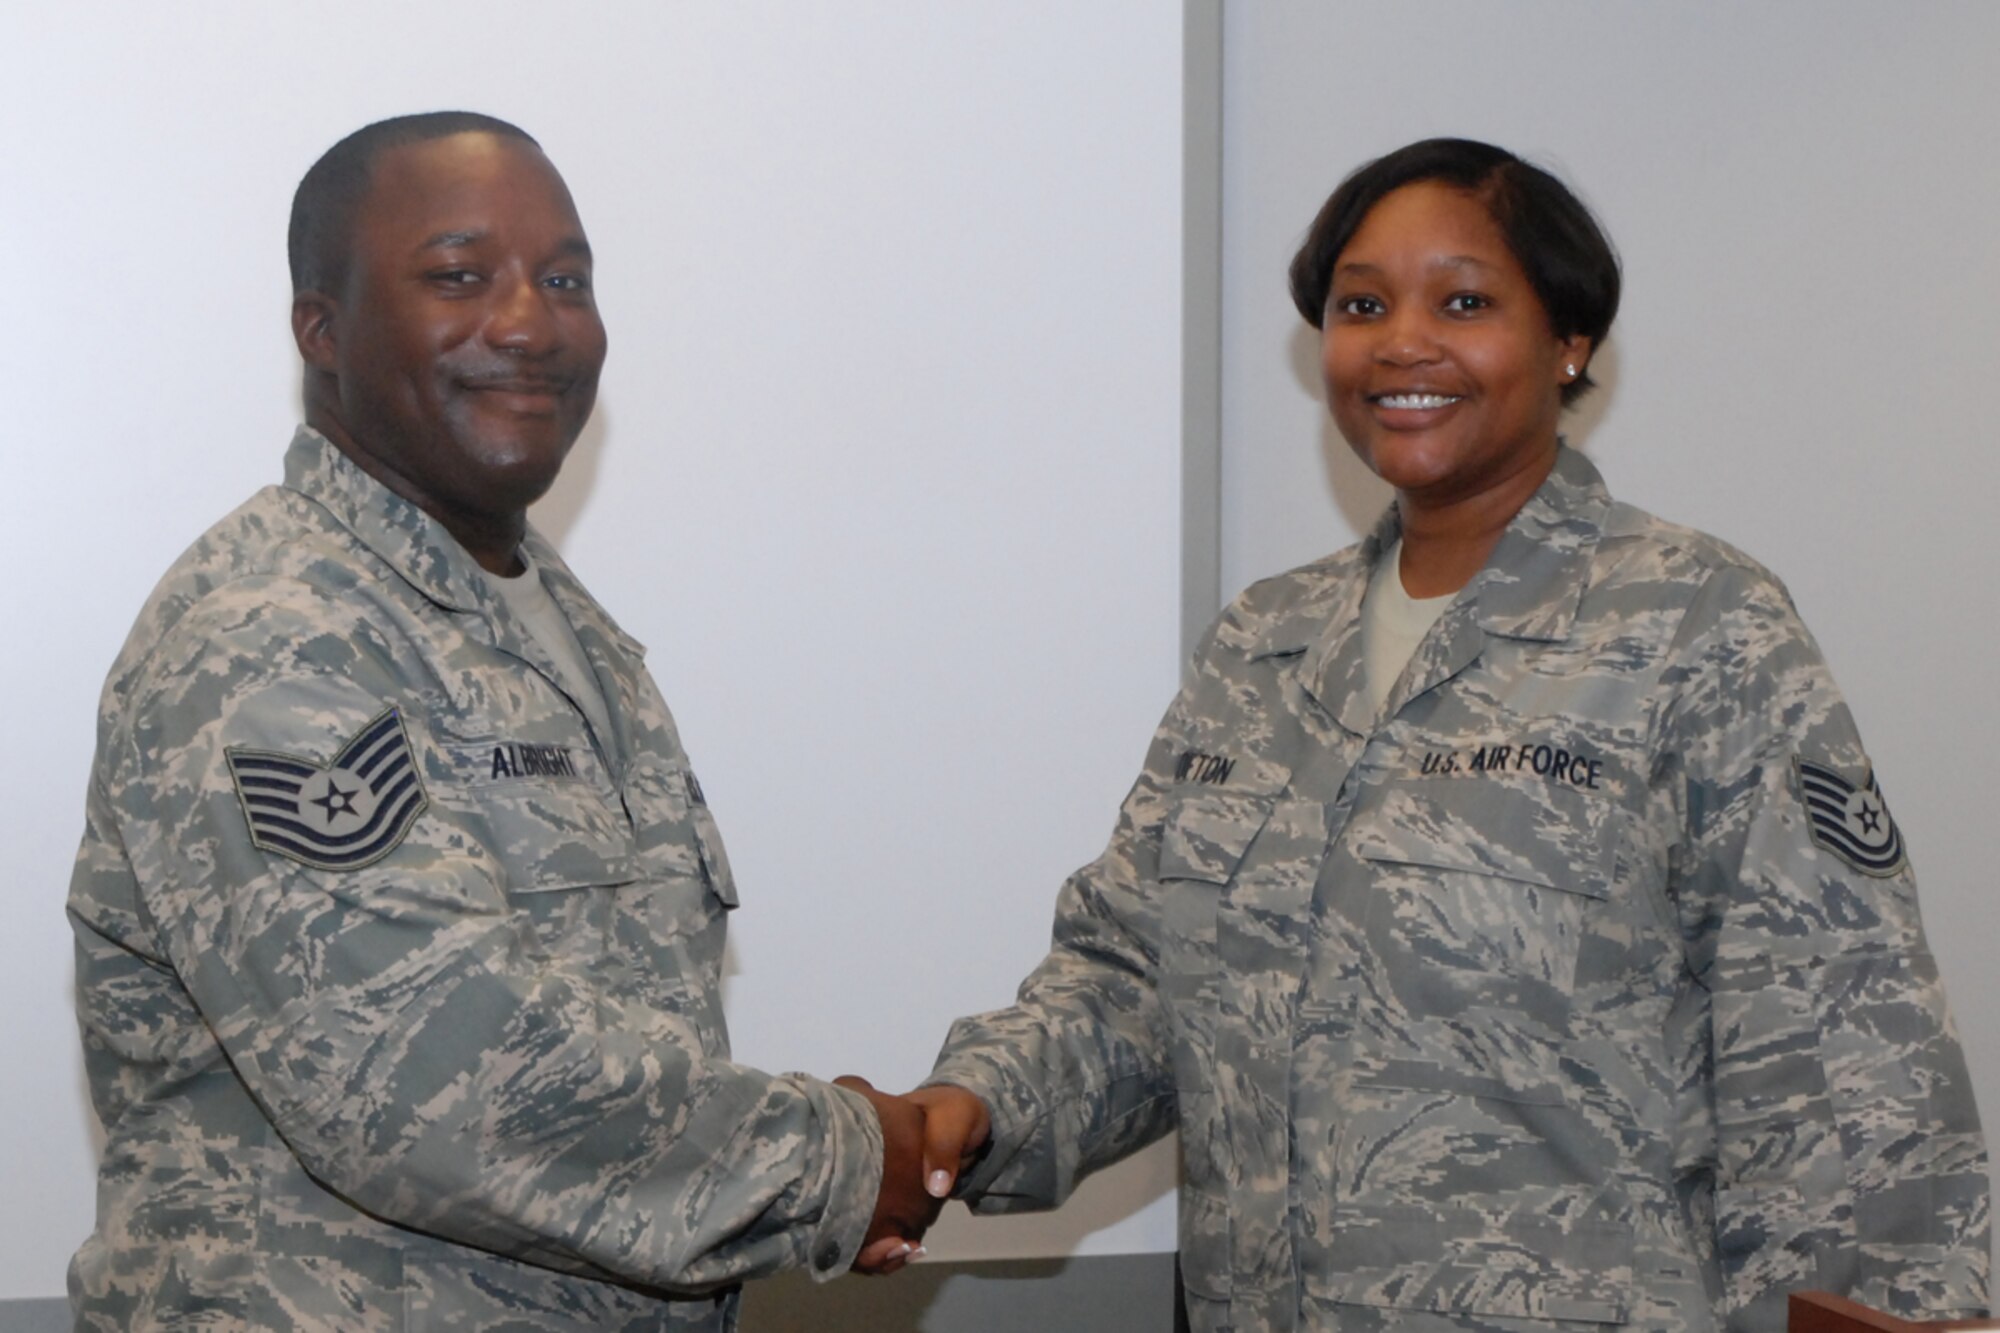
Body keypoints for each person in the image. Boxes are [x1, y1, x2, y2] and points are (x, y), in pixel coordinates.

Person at [895, 139, 1992, 1333]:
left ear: (1566, 340)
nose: (1402, 341)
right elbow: (1133, 985)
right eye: (1359, 305)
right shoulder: (1260, 643)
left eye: (1462, 301)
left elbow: (1841, 1063)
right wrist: (963, 1112)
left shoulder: (1699, 625)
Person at [65, 111, 937, 1331]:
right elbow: (427, 1079)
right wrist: (841, 1160)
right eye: (457, 275)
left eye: (565, 279)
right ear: (321, 328)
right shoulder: (273, 627)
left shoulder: (555, 620)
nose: (528, 322)